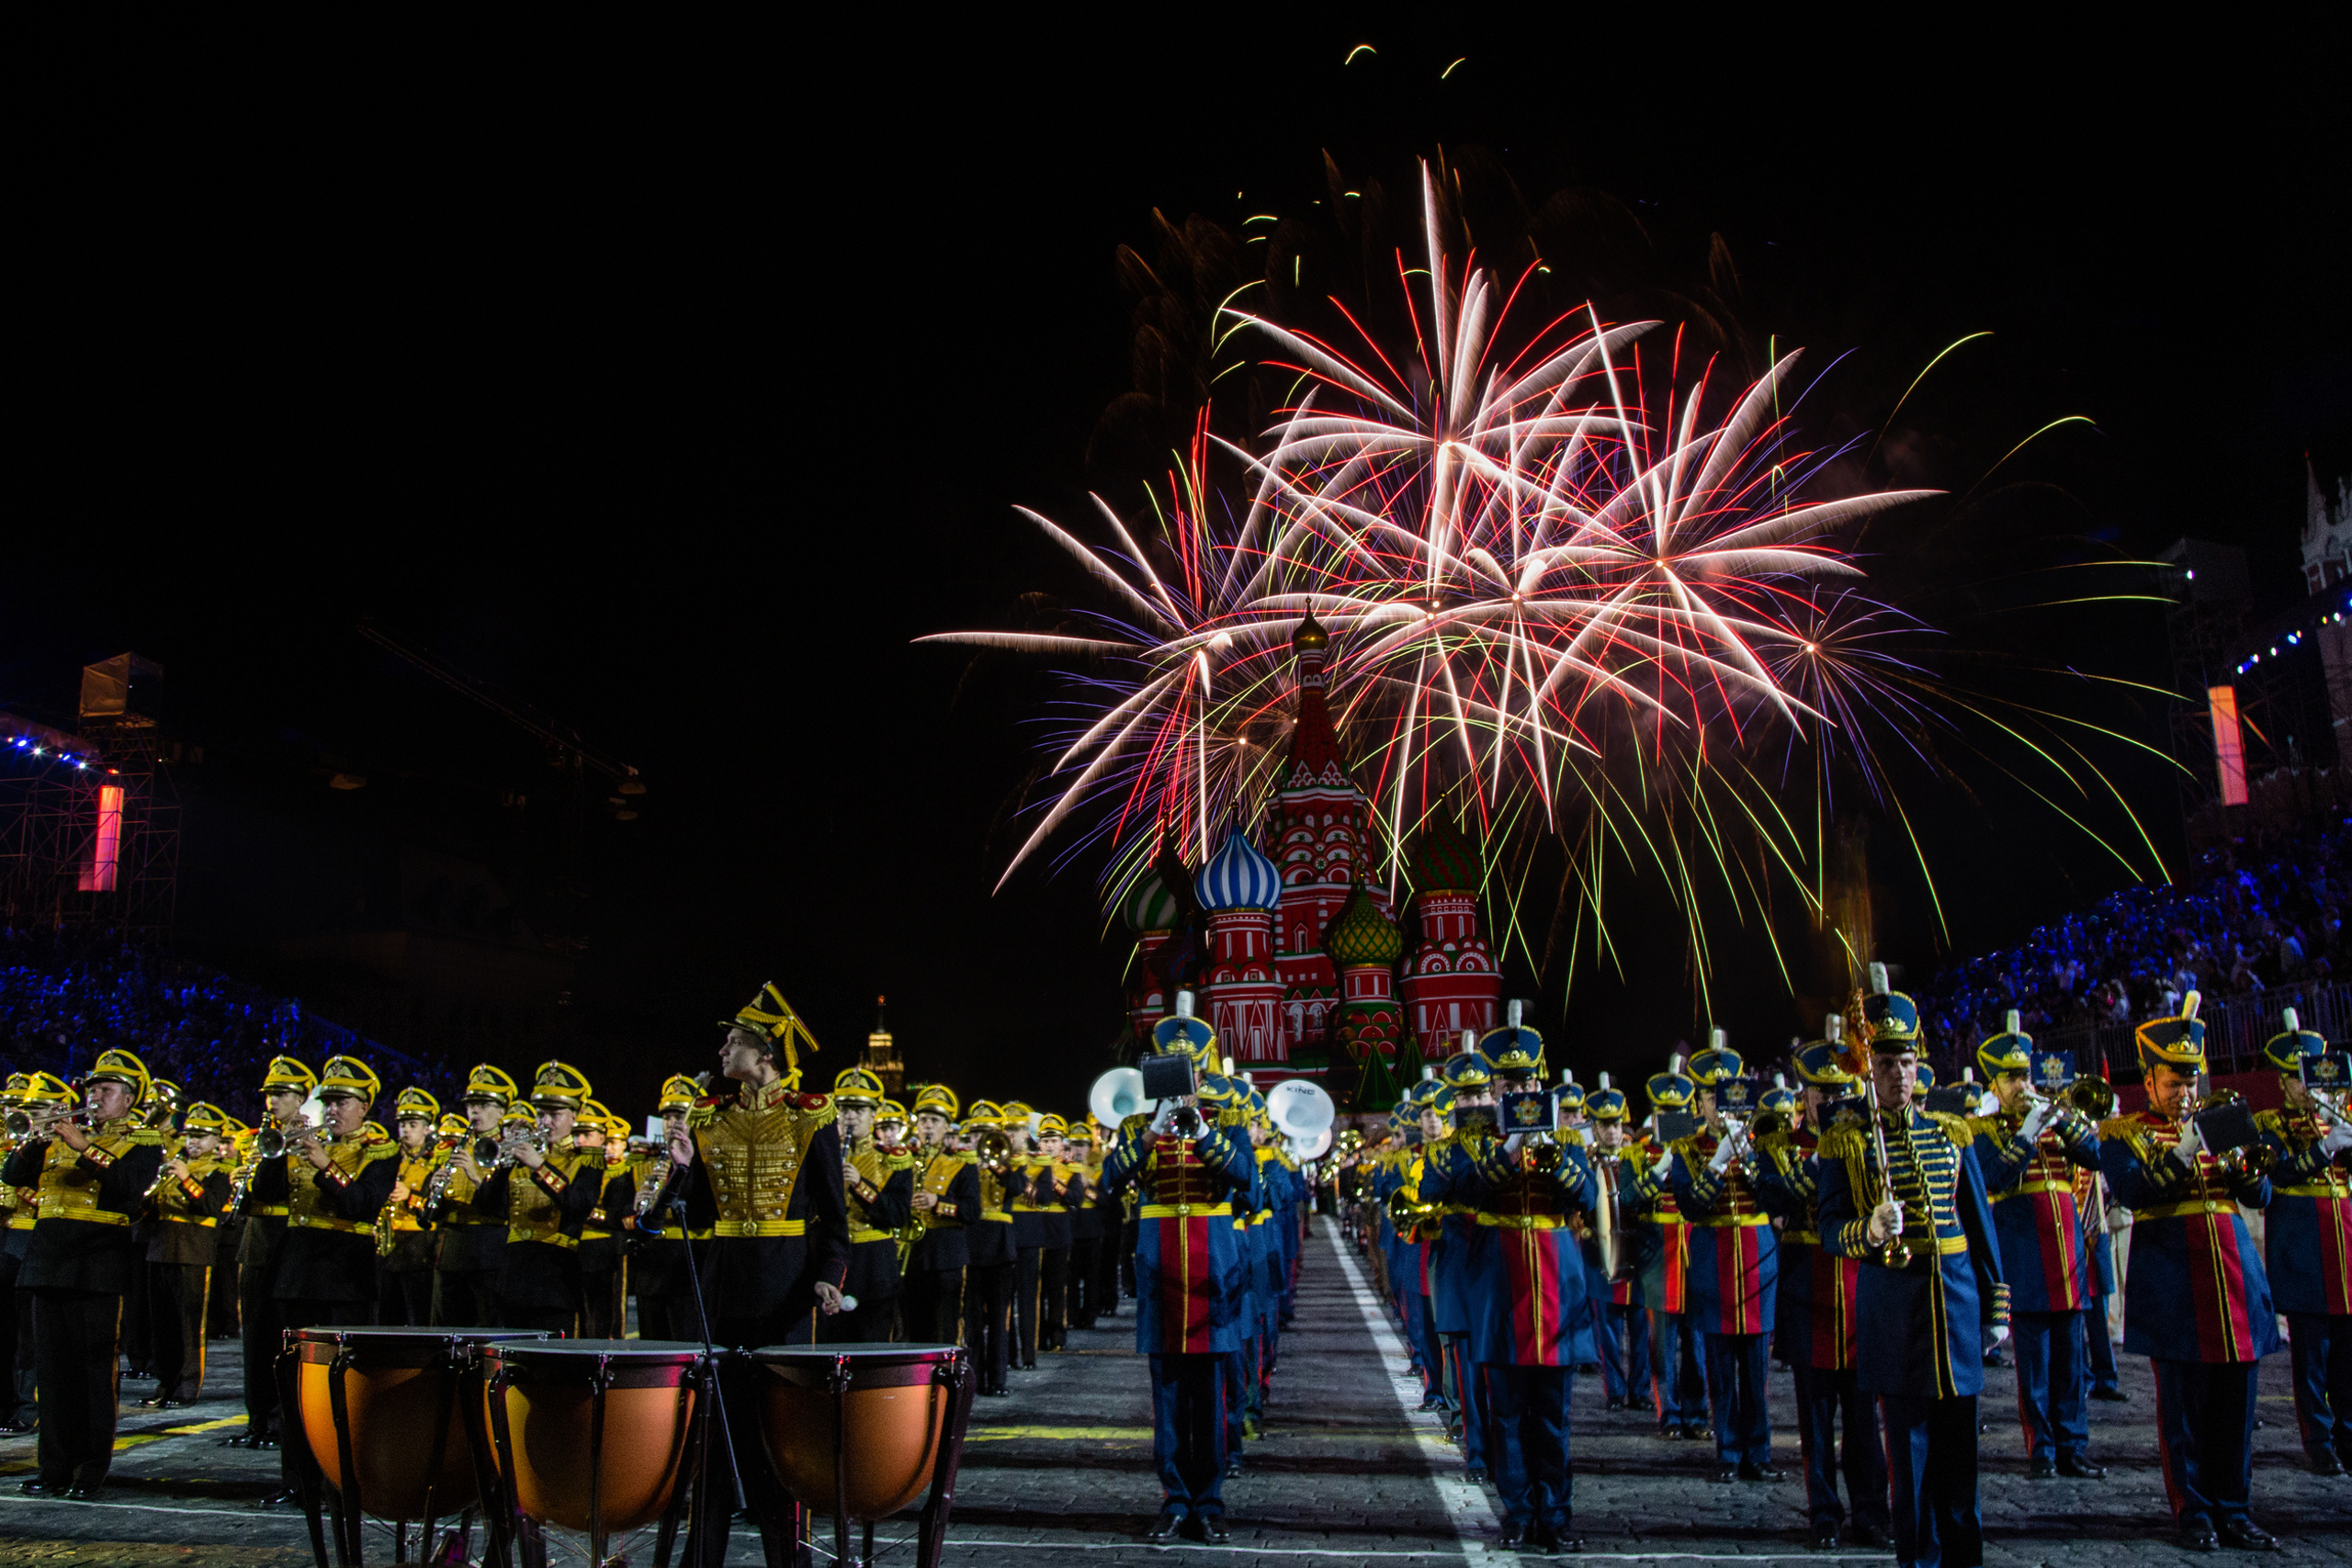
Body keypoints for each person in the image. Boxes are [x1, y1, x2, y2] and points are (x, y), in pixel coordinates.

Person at [647, 981, 850, 1568]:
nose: (722, 1051)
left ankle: (789, 1559)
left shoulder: (811, 1117)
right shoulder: (709, 1117)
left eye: (733, 1042)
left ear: (765, 1053)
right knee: (713, 1433)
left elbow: (833, 1218)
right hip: (722, 1286)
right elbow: (689, 1216)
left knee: (782, 1438)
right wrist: (681, 1170)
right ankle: (701, 1556)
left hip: (785, 1288)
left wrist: (829, 1274)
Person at [1817, 970, 2007, 1568]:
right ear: (1869, 1070)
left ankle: (1964, 1558)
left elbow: (1979, 1226)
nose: (1898, 1074)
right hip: (1895, 1313)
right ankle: (1918, 1559)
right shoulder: (1846, 1141)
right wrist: (1869, 1231)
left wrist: (1995, 1304)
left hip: (1955, 1309)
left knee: (1961, 1459)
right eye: (1886, 1064)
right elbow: (1829, 1228)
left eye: (1906, 1063)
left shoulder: (1951, 1134)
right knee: (1911, 1459)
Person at [1429, 1012, 1596, 1555]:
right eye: (1508, 1085)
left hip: (1555, 1286)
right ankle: (1519, 1512)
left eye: (1527, 1084)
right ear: (1495, 1089)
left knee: (1553, 1413)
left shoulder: (1565, 1137)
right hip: (1499, 1288)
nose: (1520, 1093)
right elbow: (1465, 1194)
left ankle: (1557, 1513)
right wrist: (1506, 1150)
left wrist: (1552, 1152)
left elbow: (1589, 1198)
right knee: (1505, 1412)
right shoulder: (1474, 1142)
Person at [1099, 1011, 1254, 1547]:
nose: (1182, 1079)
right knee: (1165, 1401)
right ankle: (1174, 1500)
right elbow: (1108, 1180)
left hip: (1213, 1270)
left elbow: (1249, 1183)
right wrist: (1152, 1132)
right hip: (1161, 1272)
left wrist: (1205, 1132)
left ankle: (1209, 1502)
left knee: (1209, 1398)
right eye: (1172, 1070)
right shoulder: (1138, 1128)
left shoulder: (1226, 1122)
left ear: (1202, 1073)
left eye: (1190, 1070)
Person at [3, 1050, 165, 1499]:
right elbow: (12, 1174)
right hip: (48, 1263)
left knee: (94, 1373)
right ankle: (53, 1467)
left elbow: (129, 1189)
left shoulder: (142, 1140)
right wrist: (34, 1140)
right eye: (91, 1090)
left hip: (97, 1265)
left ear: (128, 1099)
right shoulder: (58, 1135)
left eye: (106, 1090)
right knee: (52, 1375)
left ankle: (91, 1469)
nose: (94, 1097)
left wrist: (84, 1149)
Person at [1754, 1024, 1890, 1551]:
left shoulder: (1866, 1140)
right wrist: (1819, 1160)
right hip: (1806, 1291)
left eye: (1839, 1092)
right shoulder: (1779, 1143)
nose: (1831, 1102)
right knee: (1814, 1420)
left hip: (1857, 1292)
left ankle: (1872, 1512)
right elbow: (1774, 1195)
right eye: (1821, 1093)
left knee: (1864, 1418)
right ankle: (1824, 1513)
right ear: (1804, 1095)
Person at [252, 1054, 401, 1508]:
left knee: (341, 1389)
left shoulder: (381, 1151)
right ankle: (297, 1481)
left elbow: (363, 1204)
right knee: (293, 1385)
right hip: (295, 1275)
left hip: (344, 1277)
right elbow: (263, 1193)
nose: (332, 1110)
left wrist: (323, 1164)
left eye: (342, 1102)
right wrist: (282, 1145)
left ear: (364, 1107)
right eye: (328, 1102)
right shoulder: (306, 1140)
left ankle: (341, 1483)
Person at [1968, 1018, 2107, 1480]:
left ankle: (2073, 1446)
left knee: (2072, 1363)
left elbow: (2095, 1156)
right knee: (2036, 1368)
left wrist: (2060, 1120)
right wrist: (2026, 1134)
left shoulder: (2055, 1122)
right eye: (2010, 1078)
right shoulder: (1984, 1131)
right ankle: (2042, 1450)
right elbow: (1993, 1178)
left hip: (2068, 1261)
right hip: (2025, 1261)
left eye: (2025, 1076)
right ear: (1994, 1085)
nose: (2022, 1085)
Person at [1668, 1033, 1782, 1484]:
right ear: (1699, 1102)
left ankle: (1760, 1451)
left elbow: (1774, 1199)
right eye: (1711, 1097)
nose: (1719, 1105)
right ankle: (1729, 1451)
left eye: (1727, 1096)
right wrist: (1717, 1162)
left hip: (1756, 1262)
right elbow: (1690, 1207)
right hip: (1713, 1263)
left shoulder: (1761, 1143)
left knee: (1756, 1370)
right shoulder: (1687, 1148)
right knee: (1720, 1370)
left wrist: (1749, 1159)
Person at [2255, 1010, 2352, 1476]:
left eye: (2314, 1077)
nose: (2308, 1087)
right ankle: (2319, 1440)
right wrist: (2323, 1149)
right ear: (2281, 1082)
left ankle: (2348, 1435)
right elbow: (2277, 1174)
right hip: (2303, 1247)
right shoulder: (2270, 1124)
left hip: (2345, 1247)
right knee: (2312, 1354)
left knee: (2349, 1353)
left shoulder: (2339, 1117)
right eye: (2298, 1078)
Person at [456, 1063, 600, 1333]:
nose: (546, 1122)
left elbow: (578, 1206)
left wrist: (540, 1167)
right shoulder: (522, 1158)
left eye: (555, 1114)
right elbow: (491, 1208)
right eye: (541, 1114)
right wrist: (504, 1164)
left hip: (556, 1279)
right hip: (512, 1278)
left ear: (575, 1114)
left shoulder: (587, 1161)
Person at [231, 1055, 314, 1449]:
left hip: (289, 1241)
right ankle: (257, 1419)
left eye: (281, 1094)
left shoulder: (309, 1140)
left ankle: (285, 1421)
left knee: (285, 1338)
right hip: (256, 1241)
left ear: (300, 1099)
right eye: (269, 1094)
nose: (273, 1101)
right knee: (255, 1338)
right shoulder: (257, 1137)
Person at [1631, 1061, 1706, 1440]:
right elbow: (1628, 1199)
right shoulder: (1638, 1152)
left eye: (1680, 1112)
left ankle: (1697, 1412)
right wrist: (1657, 1170)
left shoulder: (1698, 1150)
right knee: (1661, 1343)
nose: (1674, 1119)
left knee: (1696, 1342)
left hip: (1693, 1250)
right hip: (1658, 1255)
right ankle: (1669, 1413)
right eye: (1666, 1113)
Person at [141, 1100, 233, 1407]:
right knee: (161, 1326)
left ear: (216, 1140)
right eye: (190, 1135)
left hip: (193, 1251)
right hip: (160, 1247)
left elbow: (210, 1206)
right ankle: (164, 1383)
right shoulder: (173, 1164)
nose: (193, 1142)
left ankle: (187, 1386)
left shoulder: (221, 1171)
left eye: (201, 1136)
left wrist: (185, 1179)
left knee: (190, 1327)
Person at [428, 1065, 520, 1327]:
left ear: (501, 1111)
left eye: (483, 1105)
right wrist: (433, 1191)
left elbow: (503, 1207)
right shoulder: (453, 1147)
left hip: (487, 1252)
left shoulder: (509, 1151)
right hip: (451, 1252)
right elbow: (436, 1213)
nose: (474, 1111)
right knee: (446, 1330)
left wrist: (474, 1175)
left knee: (485, 1328)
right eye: (471, 1105)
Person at [1583, 1076, 1651, 1420]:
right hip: (1602, 1257)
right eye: (1605, 1125)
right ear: (1594, 1128)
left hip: (1637, 1257)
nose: (1611, 1131)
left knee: (1641, 1330)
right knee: (1607, 1333)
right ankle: (1615, 1390)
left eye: (1616, 1125)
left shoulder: (1637, 1160)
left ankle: (1640, 1390)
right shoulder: (1587, 1163)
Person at [826, 1066, 910, 1342]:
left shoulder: (892, 1159)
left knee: (872, 1341)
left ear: (874, 1115)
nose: (849, 1116)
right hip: (833, 1260)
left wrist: (860, 1185)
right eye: (844, 1109)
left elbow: (899, 1215)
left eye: (858, 1110)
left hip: (873, 1263)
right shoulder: (825, 1155)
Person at [626, 1076, 703, 1342]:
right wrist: (637, 1209)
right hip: (650, 1274)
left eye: (679, 1116)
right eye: (667, 1117)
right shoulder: (644, 1164)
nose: (671, 1123)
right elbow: (621, 1217)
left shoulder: (704, 1163)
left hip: (686, 1272)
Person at [902, 1084, 980, 1347]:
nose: (927, 1126)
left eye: (935, 1121)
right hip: (913, 1254)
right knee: (915, 1329)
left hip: (945, 1255)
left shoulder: (962, 1163)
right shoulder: (904, 1160)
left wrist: (938, 1203)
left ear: (947, 1127)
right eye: (923, 1120)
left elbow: (972, 1211)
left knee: (945, 1327)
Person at [961, 1100, 1019, 1397]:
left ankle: (997, 1380)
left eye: (985, 1133)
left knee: (998, 1319)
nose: (978, 1139)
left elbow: (1018, 1187)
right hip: (970, 1246)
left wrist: (996, 1165)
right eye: (975, 1133)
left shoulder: (1009, 1162)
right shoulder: (961, 1163)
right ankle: (974, 1379)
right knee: (972, 1322)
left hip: (999, 1247)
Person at [376, 1089, 443, 1327]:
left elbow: (438, 1207)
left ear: (426, 1129)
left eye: (413, 1125)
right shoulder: (389, 1157)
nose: (405, 1130)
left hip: (418, 1247)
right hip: (389, 1245)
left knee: (418, 1315)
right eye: (402, 1124)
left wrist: (410, 1197)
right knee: (386, 1316)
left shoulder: (436, 1161)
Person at [0, 1075, 40, 1434]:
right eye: (8, 1107)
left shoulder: (47, 1146)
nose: (11, 1114)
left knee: (28, 1330)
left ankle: (28, 1405)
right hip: (5, 1237)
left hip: (28, 1236)